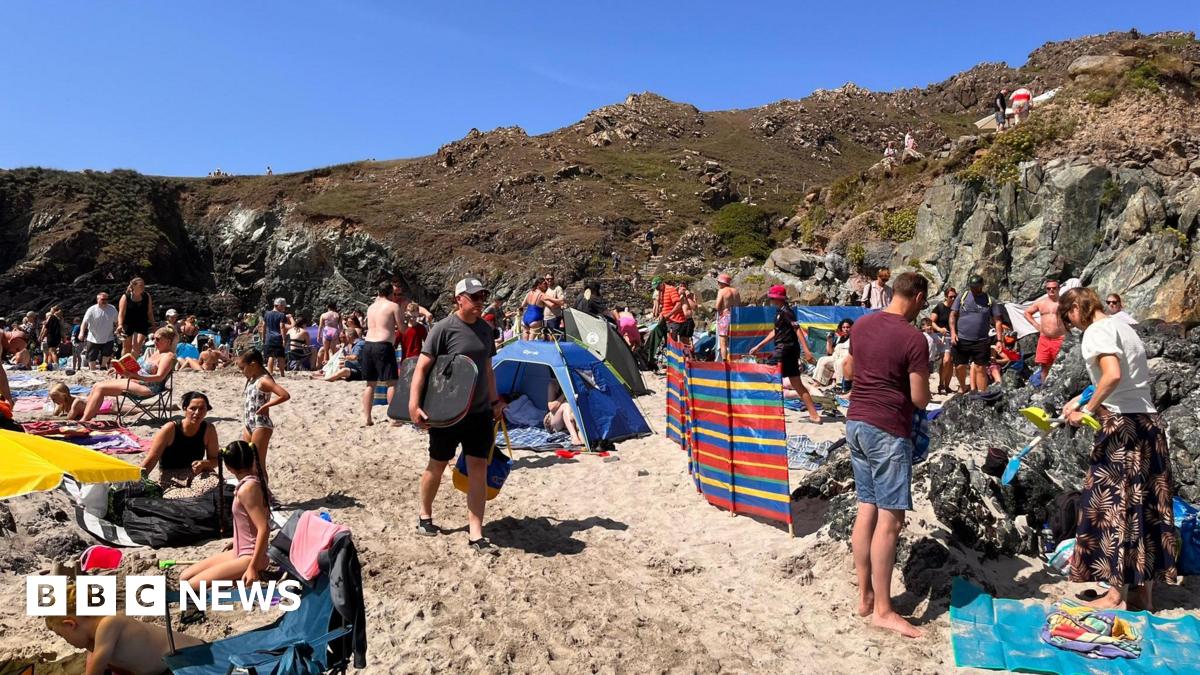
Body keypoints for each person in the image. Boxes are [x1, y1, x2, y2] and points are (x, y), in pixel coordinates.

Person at [1057, 287, 1177, 611]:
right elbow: (1121, 380)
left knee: (1113, 508)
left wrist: (1087, 412)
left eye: (1069, 318)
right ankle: (1142, 593)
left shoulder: (1096, 331)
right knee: (1145, 508)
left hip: (1121, 429)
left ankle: (1113, 596)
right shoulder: (1123, 327)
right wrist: (1081, 399)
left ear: (1077, 309)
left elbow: (1112, 375)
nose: (1073, 326)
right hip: (1148, 424)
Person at [843, 272, 930, 638]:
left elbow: (848, 369)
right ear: (919, 297)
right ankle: (883, 609)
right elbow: (920, 399)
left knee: (866, 508)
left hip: (856, 422)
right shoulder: (914, 338)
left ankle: (864, 598)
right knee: (890, 520)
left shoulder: (861, 325)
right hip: (887, 430)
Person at [410, 277, 505, 555]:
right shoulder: (443, 329)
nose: (479, 302)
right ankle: (424, 516)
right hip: (448, 413)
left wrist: (495, 401)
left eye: (481, 297)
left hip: (478, 413)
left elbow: (487, 370)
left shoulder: (486, 330)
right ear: (458, 300)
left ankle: (476, 534)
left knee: (479, 468)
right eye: (474, 297)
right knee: (437, 465)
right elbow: (422, 369)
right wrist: (414, 405)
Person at [45, 584, 205, 675]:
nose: (66, 641)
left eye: (62, 635)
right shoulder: (96, 644)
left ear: (70, 624)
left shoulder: (109, 624)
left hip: (193, 661)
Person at [181, 440, 271, 584]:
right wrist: (237, 540)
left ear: (229, 468)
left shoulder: (248, 489)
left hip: (252, 557)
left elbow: (264, 528)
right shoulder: (251, 482)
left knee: (192, 585)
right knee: (184, 576)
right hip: (240, 550)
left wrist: (253, 567)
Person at [749, 285, 823, 424]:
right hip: (787, 350)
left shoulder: (787, 312)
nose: (770, 300)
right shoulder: (779, 312)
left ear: (778, 298)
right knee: (797, 384)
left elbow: (797, 330)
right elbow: (775, 332)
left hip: (785, 350)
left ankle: (767, 412)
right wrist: (759, 345)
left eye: (771, 297)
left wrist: (806, 351)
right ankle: (814, 416)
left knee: (766, 376)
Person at [81, 327, 178, 421]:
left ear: (168, 341)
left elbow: (159, 377)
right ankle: (87, 415)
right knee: (97, 385)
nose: (154, 341)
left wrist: (137, 376)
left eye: (158, 339)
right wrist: (120, 368)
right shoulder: (157, 352)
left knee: (101, 388)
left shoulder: (168, 356)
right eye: (153, 338)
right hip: (137, 381)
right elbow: (141, 369)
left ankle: (85, 419)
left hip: (149, 388)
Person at [140, 391, 219, 491]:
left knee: (214, 488)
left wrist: (204, 463)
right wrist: (136, 480)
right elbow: (151, 460)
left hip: (198, 475)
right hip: (171, 477)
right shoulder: (170, 429)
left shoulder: (209, 429)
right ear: (185, 409)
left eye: (202, 408)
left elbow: (215, 460)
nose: (197, 413)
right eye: (193, 408)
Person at [236, 349, 290, 489]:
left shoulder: (264, 380)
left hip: (261, 424)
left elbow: (284, 395)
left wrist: (267, 405)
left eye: (243, 368)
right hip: (249, 423)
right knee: (247, 462)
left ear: (253, 364)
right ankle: (255, 493)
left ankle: (267, 496)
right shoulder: (252, 379)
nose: (242, 372)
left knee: (258, 464)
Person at [949, 275, 1004, 394]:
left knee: (980, 368)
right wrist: (953, 333)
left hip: (981, 340)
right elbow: (953, 315)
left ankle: (982, 393)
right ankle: (963, 386)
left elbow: (998, 321)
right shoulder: (962, 297)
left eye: (976, 287)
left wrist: (999, 340)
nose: (973, 289)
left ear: (981, 286)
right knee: (959, 366)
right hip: (962, 338)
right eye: (972, 287)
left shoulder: (990, 300)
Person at [362, 283, 404, 426]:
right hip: (383, 345)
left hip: (368, 345)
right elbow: (402, 328)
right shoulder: (393, 306)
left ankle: (367, 418)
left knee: (370, 384)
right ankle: (393, 418)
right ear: (391, 293)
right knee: (391, 382)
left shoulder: (371, 307)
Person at [1023, 278, 1067, 385]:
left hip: (1060, 338)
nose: (1051, 290)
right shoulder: (1041, 303)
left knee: (1058, 366)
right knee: (1044, 365)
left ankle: (1056, 388)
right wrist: (1036, 325)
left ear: (1059, 288)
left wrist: (1069, 326)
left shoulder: (1065, 303)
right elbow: (1027, 313)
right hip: (1044, 339)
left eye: (1054, 288)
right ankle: (1044, 388)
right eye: (1049, 288)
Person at [929, 287, 958, 394]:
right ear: (946, 296)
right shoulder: (940, 307)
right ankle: (941, 384)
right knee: (946, 360)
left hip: (954, 337)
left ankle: (947, 386)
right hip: (942, 337)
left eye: (955, 296)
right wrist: (939, 329)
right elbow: (930, 321)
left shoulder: (957, 308)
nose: (953, 298)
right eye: (951, 296)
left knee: (950, 361)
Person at [117, 277, 154, 358]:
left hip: (142, 323)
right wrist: (120, 325)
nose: (143, 286)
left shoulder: (146, 296)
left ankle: (131, 366)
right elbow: (121, 313)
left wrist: (153, 325)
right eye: (141, 285)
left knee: (136, 346)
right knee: (127, 347)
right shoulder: (126, 297)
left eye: (144, 285)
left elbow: (150, 312)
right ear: (134, 286)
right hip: (128, 323)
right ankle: (124, 366)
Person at [80, 292, 119, 369]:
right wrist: (81, 333)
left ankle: (103, 366)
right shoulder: (91, 310)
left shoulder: (112, 308)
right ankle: (92, 369)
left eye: (106, 299)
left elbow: (117, 321)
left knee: (107, 353)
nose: (105, 301)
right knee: (91, 355)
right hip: (93, 337)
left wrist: (118, 330)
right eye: (102, 299)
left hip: (108, 336)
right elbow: (84, 322)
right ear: (97, 299)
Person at [815, 319, 854, 388]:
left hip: (846, 359)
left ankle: (839, 385)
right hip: (835, 357)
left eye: (848, 327)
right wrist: (829, 340)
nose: (845, 329)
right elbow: (830, 352)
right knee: (822, 360)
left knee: (839, 362)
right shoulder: (838, 339)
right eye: (843, 327)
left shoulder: (854, 338)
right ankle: (819, 382)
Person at [545, 379, 584, 446]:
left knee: (572, 413)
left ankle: (580, 437)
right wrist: (565, 393)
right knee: (566, 405)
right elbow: (551, 407)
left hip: (569, 416)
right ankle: (574, 437)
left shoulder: (576, 381)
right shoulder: (553, 384)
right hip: (553, 421)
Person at [714, 273, 742, 362]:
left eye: (719, 282)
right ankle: (735, 361)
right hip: (736, 317)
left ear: (722, 283)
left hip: (725, 317)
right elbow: (740, 305)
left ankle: (725, 362)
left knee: (723, 342)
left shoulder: (722, 291)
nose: (718, 284)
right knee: (734, 341)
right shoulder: (736, 291)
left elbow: (717, 306)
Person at [260, 298, 289, 378]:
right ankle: (282, 374)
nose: (284, 308)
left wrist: (263, 337)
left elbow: (264, 326)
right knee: (281, 356)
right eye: (283, 306)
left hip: (269, 338)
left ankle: (270, 373)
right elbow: (282, 327)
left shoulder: (266, 314)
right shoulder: (281, 315)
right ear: (279, 306)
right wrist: (283, 339)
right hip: (278, 338)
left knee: (270, 356)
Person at [39, 306, 64, 370]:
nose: (50, 311)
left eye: (51, 310)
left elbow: (46, 328)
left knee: (52, 351)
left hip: (51, 336)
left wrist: (42, 336)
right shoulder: (59, 318)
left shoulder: (51, 317)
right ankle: (55, 365)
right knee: (53, 351)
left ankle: (56, 365)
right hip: (57, 337)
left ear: (54, 311)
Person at [542, 272, 566, 337]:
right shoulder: (545, 288)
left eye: (551, 279)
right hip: (545, 318)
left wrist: (549, 298)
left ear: (554, 279)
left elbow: (562, 301)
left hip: (554, 317)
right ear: (545, 279)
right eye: (547, 279)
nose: (549, 280)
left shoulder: (558, 288)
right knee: (546, 338)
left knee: (554, 338)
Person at [318, 302, 342, 366]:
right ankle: (331, 366)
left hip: (327, 330)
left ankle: (325, 367)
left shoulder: (323, 315)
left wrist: (318, 336)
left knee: (326, 351)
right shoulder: (338, 315)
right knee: (332, 351)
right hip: (334, 331)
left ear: (328, 307)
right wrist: (340, 336)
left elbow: (320, 326)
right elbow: (340, 327)